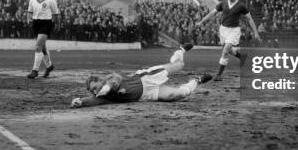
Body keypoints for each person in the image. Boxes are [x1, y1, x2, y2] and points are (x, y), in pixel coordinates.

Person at [70, 44, 212, 107]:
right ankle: (197, 81)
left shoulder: (109, 79)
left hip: (146, 78)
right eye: (93, 90)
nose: (95, 91)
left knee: (179, 65)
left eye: (95, 87)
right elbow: (94, 101)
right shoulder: (103, 96)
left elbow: (117, 79)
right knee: (179, 95)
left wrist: (107, 86)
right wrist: (81, 102)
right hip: (146, 95)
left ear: (100, 81)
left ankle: (180, 51)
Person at [195, 0, 260, 81]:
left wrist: (256, 33)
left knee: (225, 51)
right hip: (223, 30)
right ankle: (241, 57)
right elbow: (212, 13)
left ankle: (219, 75)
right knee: (228, 50)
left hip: (234, 31)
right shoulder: (223, 3)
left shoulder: (241, 6)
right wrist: (201, 21)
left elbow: (249, 19)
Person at [27, 0, 59, 79]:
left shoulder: (51, 1)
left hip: (46, 23)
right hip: (36, 24)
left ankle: (35, 70)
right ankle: (49, 66)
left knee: (37, 47)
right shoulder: (32, 0)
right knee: (43, 48)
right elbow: (29, 12)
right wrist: (29, 19)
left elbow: (55, 14)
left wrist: (57, 25)